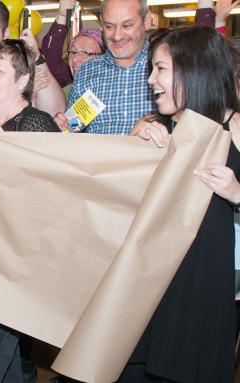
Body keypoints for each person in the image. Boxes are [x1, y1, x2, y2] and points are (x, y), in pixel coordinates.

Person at [120, 26, 240, 383]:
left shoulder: (235, 127)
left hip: (206, 287)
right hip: (151, 280)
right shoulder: (153, 127)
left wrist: (237, 193)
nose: (151, 80)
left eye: (160, 69)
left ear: (193, 70)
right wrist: (136, 152)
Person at [0, 39, 60, 383]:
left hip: (11, 264)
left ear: (21, 81)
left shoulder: (36, 123)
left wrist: (1, 144)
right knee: (0, 358)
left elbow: (49, 193)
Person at [60, 0, 156, 134]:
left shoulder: (167, 68)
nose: (117, 36)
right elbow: (71, 128)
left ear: (146, 21)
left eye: (127, 26)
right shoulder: (87, 71)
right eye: (109, 26)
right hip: (97, 155)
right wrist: (61, 127)